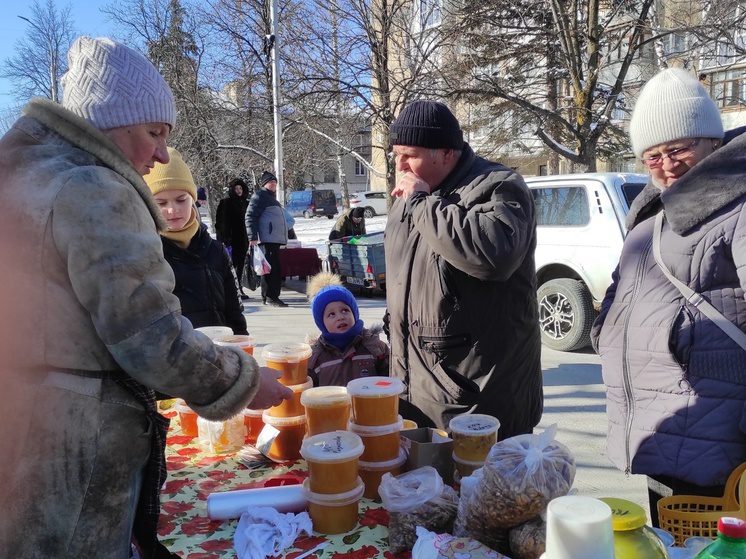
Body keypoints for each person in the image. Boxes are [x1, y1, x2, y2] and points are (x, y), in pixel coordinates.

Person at [0, 36, 291, 558]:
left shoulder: (22, 174)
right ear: (110, 123)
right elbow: (149, 335)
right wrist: (245, 381)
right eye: (155, 132)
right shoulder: (94, 186)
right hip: (74, 448)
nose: (160, 154)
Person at [591, 68, 746, 526]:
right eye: (653, 156)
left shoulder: (738, 210)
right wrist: (606, 332)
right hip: (659, 428)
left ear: (712, 142)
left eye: (679, 148)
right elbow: (619, 295)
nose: (667, 164)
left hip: (718, 438)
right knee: (667, 539)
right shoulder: (648, 222)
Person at [384, 100, 543, 437]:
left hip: (476, 397)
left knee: (482, 489)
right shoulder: (410, 196)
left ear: (445, 153)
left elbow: (493, 256)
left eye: (408, 155)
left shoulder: (498, 186)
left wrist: (421, 203)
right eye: (395, 154)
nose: (399, 165)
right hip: (416, 387)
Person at [145, 148, 249, 336]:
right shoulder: (147, 254)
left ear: (192, 199)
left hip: (221, 354)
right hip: (176, 360)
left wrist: (241, 345)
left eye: (180, 199)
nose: (172, 210)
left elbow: (235, 312)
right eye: (161, 203)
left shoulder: (216, 250)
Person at [306, 272, 389, 386]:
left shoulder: (374, 347)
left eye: (345, 310)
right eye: (331, 314)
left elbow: (390, 381)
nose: (340, 317)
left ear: (354, 314)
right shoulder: (315, 358)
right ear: (322, 323)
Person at [245, 170, 288, 307]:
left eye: (275, 182)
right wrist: (252, 237)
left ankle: (271, 296)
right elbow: (250, 216)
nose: (274, 184)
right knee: (270, 270)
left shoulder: (270, 197)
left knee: (273, 269)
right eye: (271, 182)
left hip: (273, 240)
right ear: (264, 184)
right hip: (267, 240)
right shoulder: (260, 196)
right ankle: (270, 297)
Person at [215, 178, 250, 300]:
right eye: (236, 188)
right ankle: (230, 290)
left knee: (240, 266)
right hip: (230, 240)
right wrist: (224, 239)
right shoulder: (226, 203)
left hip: (243, 240)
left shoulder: (246, 203)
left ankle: (238, 288)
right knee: (230, 266)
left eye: (240, 188)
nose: (239, 191)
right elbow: (221, 223)